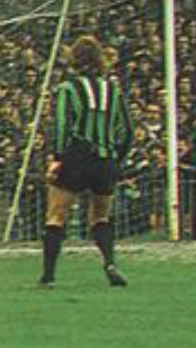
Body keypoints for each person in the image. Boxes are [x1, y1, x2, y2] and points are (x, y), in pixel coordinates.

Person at [40, 35, 133, 288]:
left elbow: (61, 125)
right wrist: (117, 159)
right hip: (105, 159)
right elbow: (126, 130)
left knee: (56, 215)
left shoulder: (67, 89)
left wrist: (58, 158)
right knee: (100, 216)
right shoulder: (112, 89)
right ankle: (110, 262)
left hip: (77, 156)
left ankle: (48, 276)